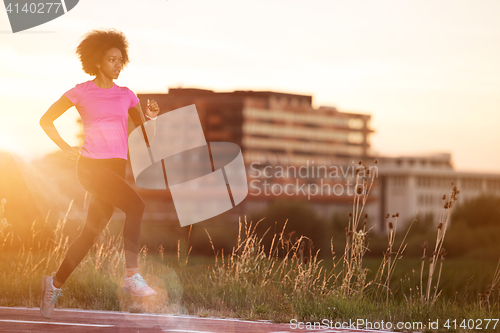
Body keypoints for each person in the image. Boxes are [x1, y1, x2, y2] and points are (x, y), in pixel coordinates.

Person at [39, 29, 159, 319]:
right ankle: (132, 276)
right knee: (136, 205)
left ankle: (53, 284)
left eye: (121, 60)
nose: (118, 64)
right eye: (112, 59)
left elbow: (144, 136)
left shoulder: (127, 96)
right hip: (92, 168)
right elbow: (46, 120)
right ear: (97, 60)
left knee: (90, 233)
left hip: (116, 168)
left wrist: (152, 118)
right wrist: (66, 147)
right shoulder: (81, 91)